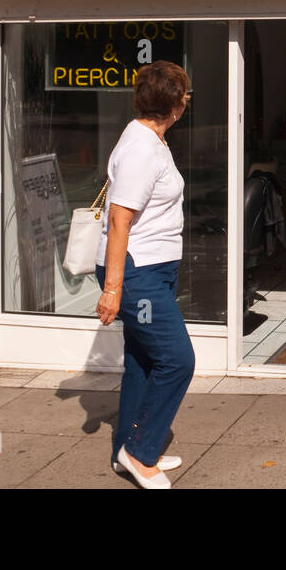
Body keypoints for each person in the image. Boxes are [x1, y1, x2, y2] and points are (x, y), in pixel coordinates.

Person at [95, 61, 195, 490]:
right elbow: (119, 220)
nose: (188, 101)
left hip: (152, 269)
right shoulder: (141, 148)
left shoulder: (150, 140)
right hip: (138, 274)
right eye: (185, 95)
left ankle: (126, 448)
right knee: (177, 360)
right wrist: (114, 290)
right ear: (174, 104)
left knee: (142, 358)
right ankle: (140, 452)